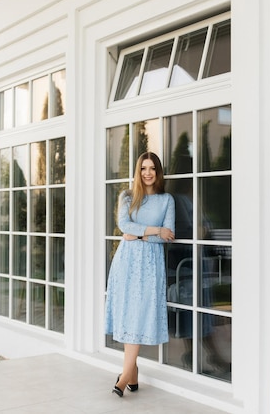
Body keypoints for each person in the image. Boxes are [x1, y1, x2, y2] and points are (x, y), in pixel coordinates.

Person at [104, 152, 176, 397]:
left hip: (150, 266)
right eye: (143, 168)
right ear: (138, 170)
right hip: (126, 262)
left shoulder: (167, 200)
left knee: (137, 315)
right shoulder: (127, 196)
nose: (147, 172)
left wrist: (139, 234)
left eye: (152, 168)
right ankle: (130, 375)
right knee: (128, 314)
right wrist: (153, 231)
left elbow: (168, 235)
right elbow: (124, 226)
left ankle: (125, 377)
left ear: (158, 172)